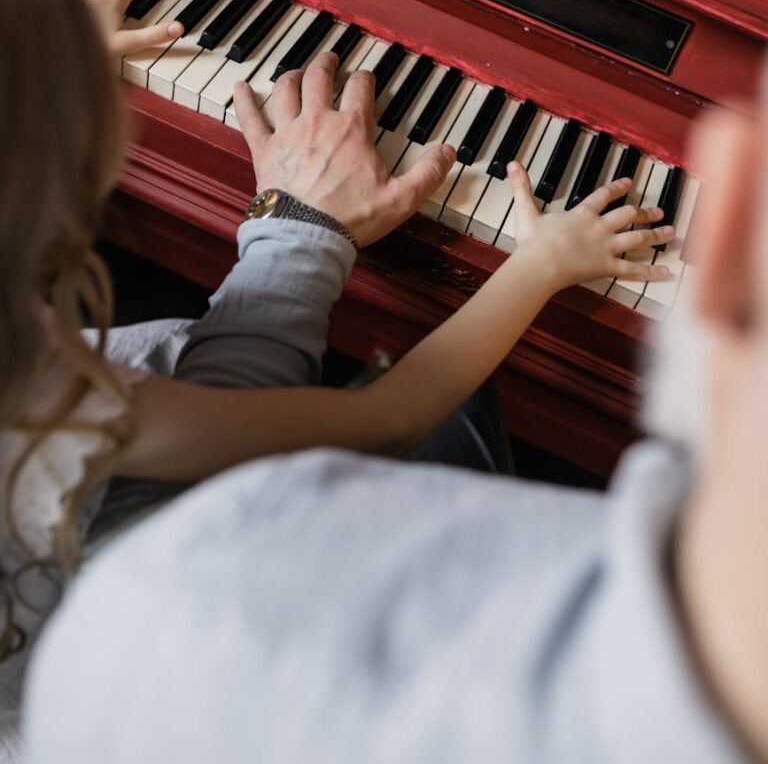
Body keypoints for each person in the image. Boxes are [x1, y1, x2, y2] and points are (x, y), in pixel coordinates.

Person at [0, 0, 671, 756]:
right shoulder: (45, 399)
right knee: (457, 441)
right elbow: (385, 416)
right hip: (94, 694)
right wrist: (538, 262)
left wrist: (46, 77)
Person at [21, 101, 768, 764]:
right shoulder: (121, 507)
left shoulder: (102, 660)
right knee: (471, 414)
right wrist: (539, 263)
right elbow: (387, 420)